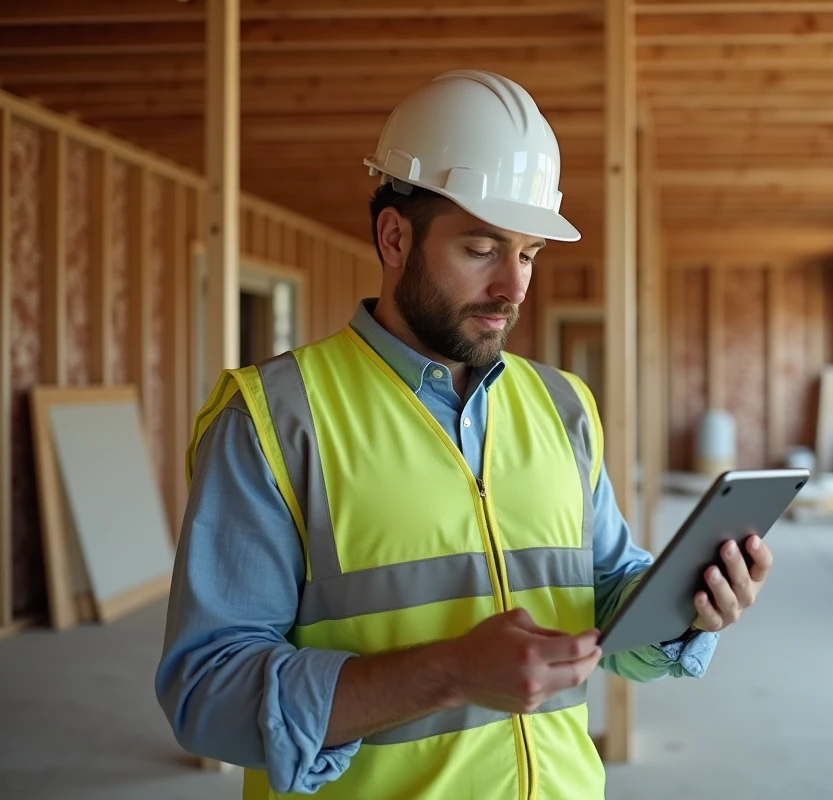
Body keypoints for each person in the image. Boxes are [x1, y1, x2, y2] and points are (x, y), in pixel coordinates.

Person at [155, 69, 774, 799]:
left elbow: (606, 603)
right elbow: (208, 696)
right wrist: (447, 672)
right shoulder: (273, 419)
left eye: (529, 254)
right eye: (482, 249)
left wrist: (683, 608)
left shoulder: (563, 406)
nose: (513, 287)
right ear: (394, 237)